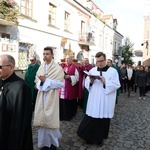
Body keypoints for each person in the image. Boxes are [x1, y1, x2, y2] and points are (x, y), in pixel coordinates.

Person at [77, 52, 120, 146]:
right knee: (92, 118)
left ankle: (100, 139)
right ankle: (89, 138)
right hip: (94, 100)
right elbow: (87, 84)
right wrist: (91, 81)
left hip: (106, 100)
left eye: (101, 61)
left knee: (102, 121)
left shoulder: (113, 71)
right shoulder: (92, 70)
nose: (99, 63)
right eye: (97, 61)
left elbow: (117, 84)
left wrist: (105, 82)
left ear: (105, 60)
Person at [33, 47, 64, 150]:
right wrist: (41, 82)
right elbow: (36, 81)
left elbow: (61, 83)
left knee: (50, 121)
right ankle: (43, 143)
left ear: (52, 55)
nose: (45, 56)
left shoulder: (57, 68)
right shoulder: (41, 67)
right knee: (42, 123)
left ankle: (53, 144)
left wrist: (47, 81)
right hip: (41, 96)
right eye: (44, 54)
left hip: (51, 97)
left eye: (47, 54)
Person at [0, 54, 33, 150]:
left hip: (11, 133)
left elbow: (23, 119)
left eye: (0, 67)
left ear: (11, 67)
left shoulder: (21, 87)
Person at [59, 55, 79, 121]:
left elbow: (77, 78)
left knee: (68, 103)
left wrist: (70, 77)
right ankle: (61, 116)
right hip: (62, 87)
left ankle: (68, 116)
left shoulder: (75, 67)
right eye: (66, 59)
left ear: (71, 60)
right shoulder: (63, 67)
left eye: (68, 59)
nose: (67, 60)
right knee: (62, 102)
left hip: (70, 88)